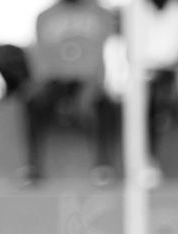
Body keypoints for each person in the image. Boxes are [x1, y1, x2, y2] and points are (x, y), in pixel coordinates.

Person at [20, 0, 117, 186]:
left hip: (89, 81)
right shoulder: (44, 16)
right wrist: (49, 87)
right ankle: (32, 166)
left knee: (104, 105)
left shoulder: (102, 14)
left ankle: (103, 165)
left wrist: (92, 86)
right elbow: (39, 58)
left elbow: (109, 54)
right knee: (33, 101)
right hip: (55, 81)